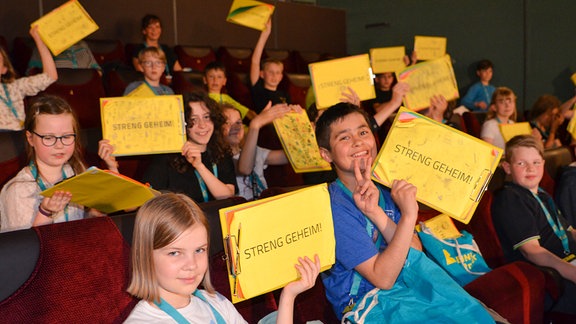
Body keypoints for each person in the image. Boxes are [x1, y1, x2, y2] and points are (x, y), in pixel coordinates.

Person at [315, 103, 494, 322]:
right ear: (326, 154)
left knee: (471, 314)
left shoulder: (386, 188)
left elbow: (415, 251)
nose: (358, 142)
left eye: (363, 132)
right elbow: (383, 278)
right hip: (365, 304)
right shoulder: (334, 207)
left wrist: (377, 213)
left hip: (406, 287)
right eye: (344, 138)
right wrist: (409, 216)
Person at [124, 192, 321, 323]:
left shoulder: (215, 302)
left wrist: (289, 295)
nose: (191, 265)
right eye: (175, 253)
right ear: (146, 256)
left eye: (199, 250)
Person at [0, 95, 116, 232]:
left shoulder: (75, 173)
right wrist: (45, 213)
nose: (59, 145)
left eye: (66, 136)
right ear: (30, 139)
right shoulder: (19, 191)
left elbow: (78, 226)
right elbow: (22, 249)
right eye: (49, 138)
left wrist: (112, 168)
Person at [491, 135, 576, 315]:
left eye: (536, 162)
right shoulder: (511, 199)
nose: (531, 168)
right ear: (507, 167)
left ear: (543, 164)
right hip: (553, 279)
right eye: (521, 163)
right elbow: (532, 251)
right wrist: (572, 273)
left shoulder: (543, 195)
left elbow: (569, 232)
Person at [142, 91, 237, 203]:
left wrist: (199, 166)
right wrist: (115, 171)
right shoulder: (167, 157)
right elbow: (138, 202)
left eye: (206, 117)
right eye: (193, 119)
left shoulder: (221, 151)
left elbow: (227, 196)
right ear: (183, 124)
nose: (202, 125)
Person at [222, 102, 295, 200]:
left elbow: (293, 156)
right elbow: (244, 168)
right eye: (227, 123)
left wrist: (297, 123)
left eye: (239, 122)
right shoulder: (219, 159)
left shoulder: (256, 151)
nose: (236, 127)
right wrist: (256, 124)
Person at [0, 26, 57, 131]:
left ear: (4, 69)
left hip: (17, 140)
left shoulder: (15, 87)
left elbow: (50, 76)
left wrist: (39, 40)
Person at [250, 20, 290, 114]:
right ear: (262, 74)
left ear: (281, 77)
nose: (274, 76)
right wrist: (265, 35)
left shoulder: (285, 95)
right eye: (270, 72)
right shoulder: (259, 90)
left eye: (277, 72)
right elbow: (255, 62)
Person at [132, 14, 182, 81]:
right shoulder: (139, 50)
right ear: (144, 31)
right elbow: (141, 72)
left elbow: (179, 72)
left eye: (157, 27)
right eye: (150, 27)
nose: (154, 30)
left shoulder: (166, 49)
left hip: (170, 86)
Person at [27, 40, 101, 74]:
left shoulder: (82, 45)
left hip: (84, 89)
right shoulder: (42, 48)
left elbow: (98, 72)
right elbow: (33, 73)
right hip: (55, 91)